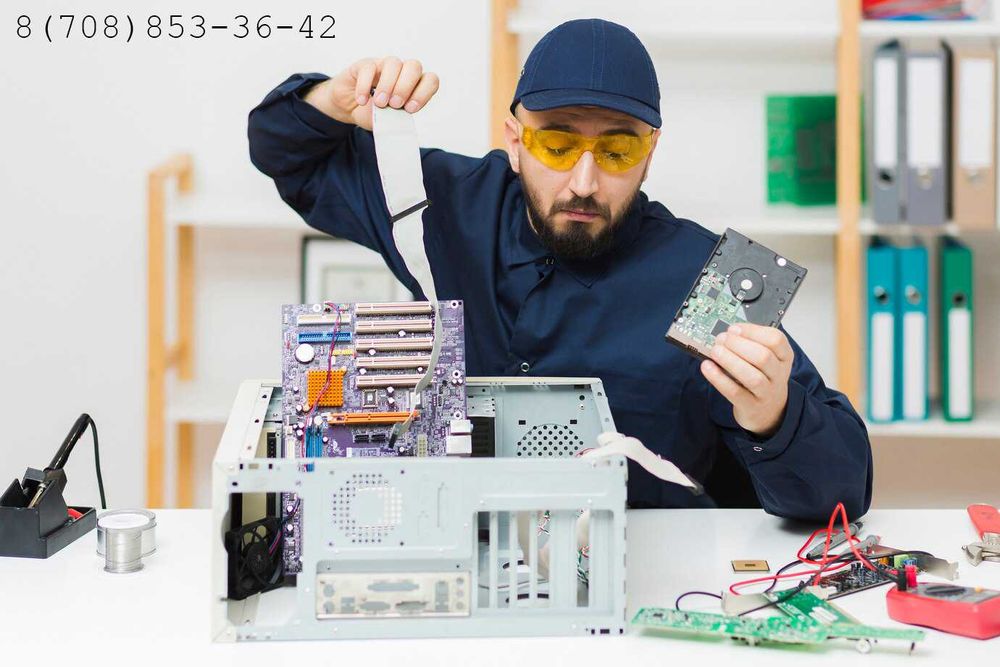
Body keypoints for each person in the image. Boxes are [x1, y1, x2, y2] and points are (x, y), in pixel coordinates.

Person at [247, 19, 872, 520]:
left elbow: (846, 490)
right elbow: (290, 156)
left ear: (650, 153)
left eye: (617, 149)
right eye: (557, 143)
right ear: (515, 141)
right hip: (461, 555)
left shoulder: (715, 277)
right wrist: (332, 98)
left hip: (640, 583)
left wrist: (773, 415)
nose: (584, 182)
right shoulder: (443, 203)